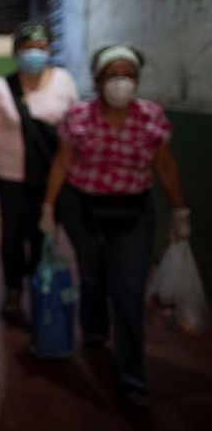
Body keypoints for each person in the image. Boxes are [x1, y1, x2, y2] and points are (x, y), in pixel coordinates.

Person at [39, 44, 189, 408]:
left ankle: (132, 375)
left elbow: (166, 167)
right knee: (91, 274)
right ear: (97, 79)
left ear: (137, 80)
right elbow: (62, 163)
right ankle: (93, 331)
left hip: (133, 213)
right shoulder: (77, 117)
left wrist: (179, 212)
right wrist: (48, 207)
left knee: (127, 288)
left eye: (128, 75)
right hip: (83, 208)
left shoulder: (152, 117)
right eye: (112, 75)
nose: (121, 82)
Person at [0, 21, 78, 320]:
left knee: (44, 234)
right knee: (13, 236)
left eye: (40, 48)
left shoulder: (64, 82)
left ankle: (40, 286)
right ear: (16, 52)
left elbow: (76, 128)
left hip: (52, 177)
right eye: (28, 48)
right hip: (10, 177)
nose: (34, 54)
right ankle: (13, 291)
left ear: (49, 50)